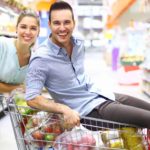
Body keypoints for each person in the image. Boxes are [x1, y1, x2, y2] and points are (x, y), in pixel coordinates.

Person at [25, 1, 150, 129]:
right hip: (90, 111)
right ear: (49, 25)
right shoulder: (41, 58)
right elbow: (32, 98)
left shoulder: (78, 42)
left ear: (74, 23)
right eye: (57, 23)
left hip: (101, 94)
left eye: (67, 22)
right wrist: (63, 109)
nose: (62, 28)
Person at [0, 9, 40, 93]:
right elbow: (25, 89)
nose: (28, 32)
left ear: (38, 32)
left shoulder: (35, 59)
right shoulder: (2, 45)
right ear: (16, 28)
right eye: (23, 27)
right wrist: (18, 88)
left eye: (33, 28)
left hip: (11, 105)